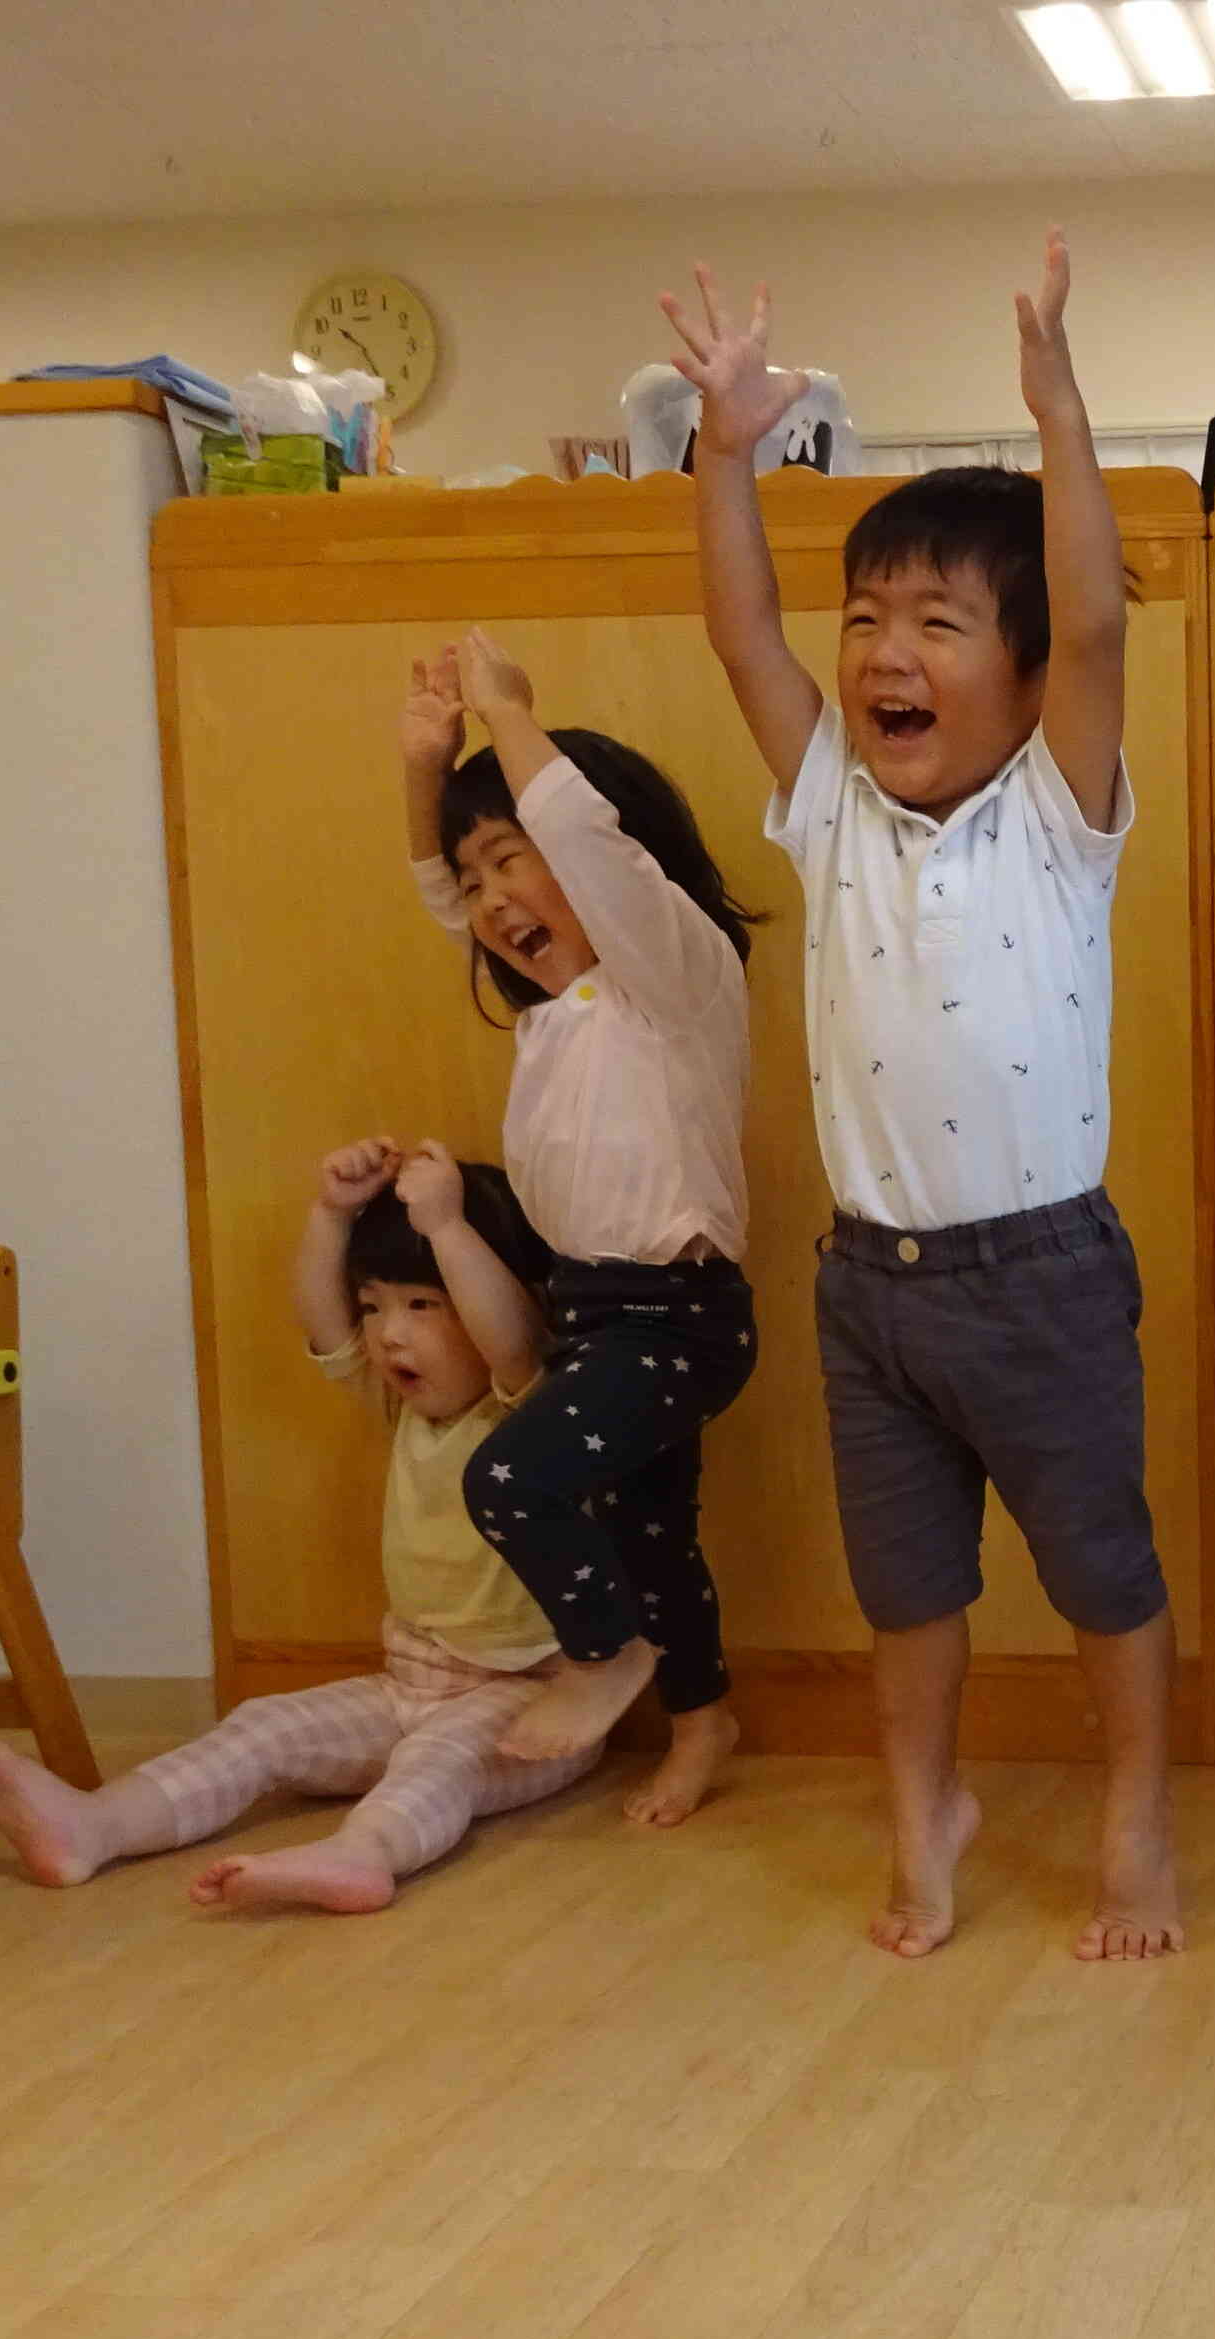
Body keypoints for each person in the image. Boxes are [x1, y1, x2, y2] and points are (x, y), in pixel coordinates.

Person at [664, 234, 1181, 1961]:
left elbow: (1097, 610)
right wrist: (724, 454)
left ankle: (1133, 1817)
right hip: (865, 1287)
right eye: (868, 620)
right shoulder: (832, 808)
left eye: (938, 622)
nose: (886, 649)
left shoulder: (1056, 813)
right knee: (910, 1592)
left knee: (1101, 1573)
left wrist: (1055, 406)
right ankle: (925, 1817)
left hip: (1038, 1274)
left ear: (1024, 678)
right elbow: (741, 632)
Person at [0, 1142, 602, 1911]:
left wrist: (447, 1227)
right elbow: (324, 1323)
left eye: (422, 1305)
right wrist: (330, 1213)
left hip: (533, 1701)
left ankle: (363, 1855)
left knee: (438, 1759)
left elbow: (511, 1339)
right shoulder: (401, 1406)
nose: (389, 1334)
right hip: (410, 1680)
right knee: (265, 1726)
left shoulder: (531, 1410)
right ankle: (95, 1824)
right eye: (377, 1306)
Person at [399, 631, 759, 1830]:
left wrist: (509, 718)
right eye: (478, 877)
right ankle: (704, 1718)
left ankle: (604, 1654)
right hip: (592, 1314)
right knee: (653, 1535)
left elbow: (596, 857)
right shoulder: (555, 1013)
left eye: (517, 861)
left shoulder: (677, 980)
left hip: (676, 1314)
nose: (494, 900)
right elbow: (437, 887)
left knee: (512, 1478)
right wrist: (425, 765)